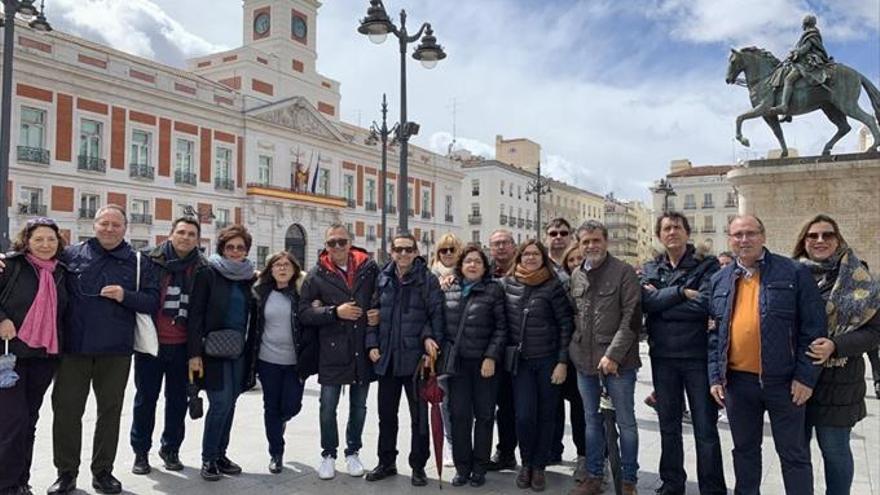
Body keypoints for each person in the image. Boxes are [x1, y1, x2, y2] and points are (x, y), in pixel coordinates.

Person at [45, 205, 159, 495]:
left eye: (116, 225)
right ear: (94, 225)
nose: (109, 229)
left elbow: (151, 302)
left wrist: (125, 296)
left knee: (110, 413)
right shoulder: (70, 254)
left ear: (125, 228)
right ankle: (66, 473)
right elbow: (39, 267)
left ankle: (103, 472)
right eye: (104, 223)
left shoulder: (137, 261)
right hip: (73, 348)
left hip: (116, 351)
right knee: (67, 412)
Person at [708, 215, 826, 495]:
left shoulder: (793, 273)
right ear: (730, 239)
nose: (744, 239)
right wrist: (715, 376)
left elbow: (814, 329)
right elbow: (714, 334)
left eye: (750, 233)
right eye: (737, 235)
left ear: (763, 236)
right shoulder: (719, 279)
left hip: (785, 384)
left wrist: (806, 377)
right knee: (744, 453)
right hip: (737, 383)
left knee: (794, 455)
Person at [792, 214, 880, 495]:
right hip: (795, 376)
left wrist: (836, 345)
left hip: (838, 381)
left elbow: (874, 333)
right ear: (803, 241)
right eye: (813, 236)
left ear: (838, 239)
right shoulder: (789, 274)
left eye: (827, 235)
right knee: (796, 451)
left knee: (835, 450)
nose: (820, 241)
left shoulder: (859, 278)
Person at [640, 213, 726, 495]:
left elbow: (706, 304)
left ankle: (712, 488)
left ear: (687, 233)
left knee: (705, 429)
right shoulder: (652, 266)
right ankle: (672, 483)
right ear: (659, 235)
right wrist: (681, 292)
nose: (672, 231)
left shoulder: (707, 265)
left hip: (697, 357)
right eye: (666, 228)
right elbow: (646, 303)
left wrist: (663, 301)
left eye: (677, 227)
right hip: (663, 357)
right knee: (668, 426)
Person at [299, 224, 379, 480]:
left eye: (341, 242)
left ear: (350, 242)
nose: (337, 247)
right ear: (325, 246)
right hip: (332, 350)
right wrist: (334, 312)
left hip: (361, 348)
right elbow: (304, 313)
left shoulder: (369, 268)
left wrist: (379, 314)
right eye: (332, 243)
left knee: (359, 406)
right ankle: (328, 454)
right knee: (327, 406)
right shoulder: (316, 274)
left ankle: (353, 451)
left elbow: (382, 298)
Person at [568, 220, 642, 495]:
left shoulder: (623, 272)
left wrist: (613, 355)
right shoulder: (577, 275)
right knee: (591, 421)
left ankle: (628, 479)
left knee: (626, 423)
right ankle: (595, 477)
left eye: (596, 240)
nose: (591, 246)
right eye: (586, 241)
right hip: (585, 364)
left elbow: (632, 318)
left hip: (618, 365)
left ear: (606, 241)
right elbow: (574, 315)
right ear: (579, 244)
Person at [130, 216, 208, 475]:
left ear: (197, 239)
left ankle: (170, 449)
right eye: (182, 232)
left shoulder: (202, 267)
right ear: (171, 234)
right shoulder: (149, 259)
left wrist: (196, 353)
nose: (186, 237)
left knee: (177, 401)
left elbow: (201, 313)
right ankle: (141, 452)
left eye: (191, 234)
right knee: (145, 400)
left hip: (184, 346)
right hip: (151, 343)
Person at [365, 233, 444, 487]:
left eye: (408, 250)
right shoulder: (382, 277)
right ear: (391, 251)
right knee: (386, 415)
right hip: (387, 358)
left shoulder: (427, 280)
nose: (403, 254)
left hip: (416, 362)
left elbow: (436, 317)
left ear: (416, 251)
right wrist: (372, 344)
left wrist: (429, 342)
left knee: (419, 417)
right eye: (398, 249)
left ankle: (418, 465)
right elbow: (372, 314)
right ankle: (386, 461)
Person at [0, 218, 69, 495]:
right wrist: (1, 318)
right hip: (9, 356)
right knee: (11, 421)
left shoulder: (62, 271)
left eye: (51, 239)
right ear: (26, 241)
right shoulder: (11, 265)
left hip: (44, 357)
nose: (45, 245)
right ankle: (5, 484)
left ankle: (21, 481)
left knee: (29, 420)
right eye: (38, 239)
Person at [502, 239, 573, 492]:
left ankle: (539, 467)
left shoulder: (553, 286)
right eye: (526, 254)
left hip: (548, 362)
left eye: (535, 254)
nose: (530, 258)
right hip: (520, 364)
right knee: (523, 416)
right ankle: (527, 463)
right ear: (519, 258)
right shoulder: (507, 284)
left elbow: (566, 325)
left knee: (546, 416)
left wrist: (562, 362)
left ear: (543, 258)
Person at [188, 225, 257, 482]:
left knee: (232, 402)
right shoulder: (208, 273)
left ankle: (220, 454)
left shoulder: (250, 276)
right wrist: (194, 353)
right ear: (222, 249)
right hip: (212, 349)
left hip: (240, 349)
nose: (235, 251)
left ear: (246, 250)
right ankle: (208, 457)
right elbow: (194, 315)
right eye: (230, 247)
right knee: (220, 402)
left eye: (240, 247)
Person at [442, 244, 507, 488]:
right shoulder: (448, 288)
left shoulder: (493, 290)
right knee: (459, 416)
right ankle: (462, 467)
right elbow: (439, 322)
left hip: (484, 365)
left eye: (477, 262)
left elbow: (502, 328)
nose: (472, 265)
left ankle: (479, 467)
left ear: (484, 266)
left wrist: (491, 357)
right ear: (461, 265)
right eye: (468, 261)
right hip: (457, 365)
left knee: (485, 416)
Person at [251, 251, 308, 474]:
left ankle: (281, 421)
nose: (282, 268)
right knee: (270, 407)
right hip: (268, 360)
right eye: (277, 265)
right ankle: (276, 452)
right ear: (270, 270)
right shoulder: (260, 293)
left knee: (292, 406)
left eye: (287, 265)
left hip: (295, 362)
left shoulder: (301, 294)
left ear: (295, 270)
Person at [552, 243, 588, 482]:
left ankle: (588, 456)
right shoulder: (560, 288)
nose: (576, 264)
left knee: (585, 411)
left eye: (579, 259)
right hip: (566, 355)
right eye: (571, 260)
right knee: (572, 407)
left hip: (592, 357)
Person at [485, 229, 519, 472]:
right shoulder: (485, 273)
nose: (500, 248)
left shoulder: (525, 270)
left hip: (519, 346)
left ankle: (518, 452)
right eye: (496, 244)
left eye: (505, 243)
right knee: (498, 404)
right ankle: (504, 452)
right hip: (491, 347)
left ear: (513, 246)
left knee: (517, 406)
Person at [430, 233, 463, 467]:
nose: (448, 253)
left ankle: (463, 442)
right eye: (444, 250)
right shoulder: (431, 278)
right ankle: (450, 444)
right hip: (440, 350)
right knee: (444, 401)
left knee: (464, 402)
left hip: (464, 348)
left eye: (452, 249)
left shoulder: (467, 276)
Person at [770, 14, 832, 116]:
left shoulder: (811, 33)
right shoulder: (812, 33)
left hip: (807, 61)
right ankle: (788, 113)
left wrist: (796, 53)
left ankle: (784, 106)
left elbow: (806, 48)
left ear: (805, 23)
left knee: (788, 79)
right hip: (802, 59)